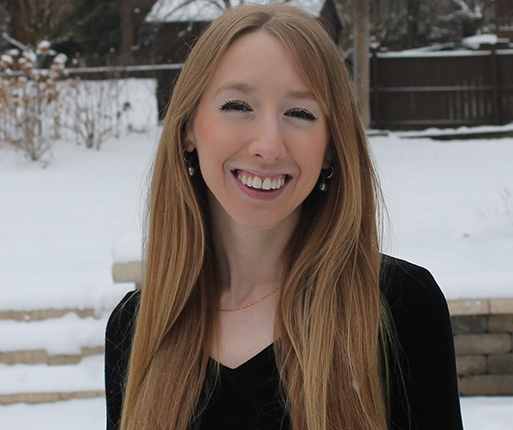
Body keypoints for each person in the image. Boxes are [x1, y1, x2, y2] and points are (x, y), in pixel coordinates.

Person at [105, 4, 462, 430]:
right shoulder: (137, 325)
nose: (269, 146)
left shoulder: (399, 306)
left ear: (331, 146)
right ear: (187, 128)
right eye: (237, 105)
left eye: (300, 113)